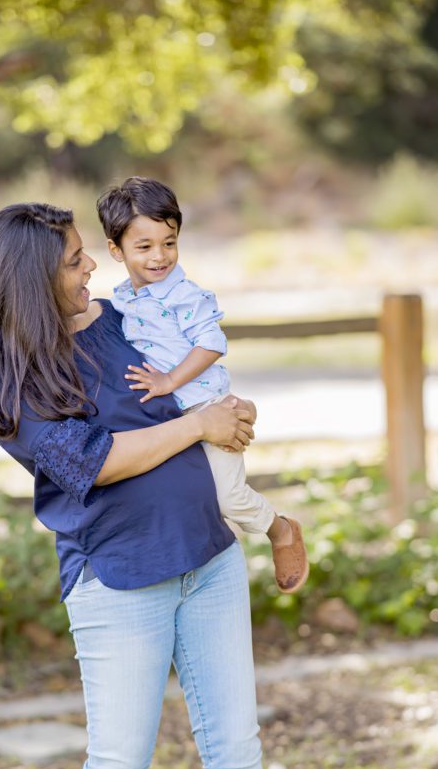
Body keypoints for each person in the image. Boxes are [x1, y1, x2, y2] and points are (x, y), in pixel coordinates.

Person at [0, 202, 305, 769]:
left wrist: (231, 413)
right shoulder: (11, 374)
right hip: (118, 580)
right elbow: (95, 461)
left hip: (209, 557)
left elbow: (202, 381)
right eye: (77, 260)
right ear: (30, 280)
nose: (93, 268)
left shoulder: (122, 319)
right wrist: (200, 426)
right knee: (118, 766)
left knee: (237, 754)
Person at [97, 176, 309, 593]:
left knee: (228, 498)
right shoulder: (121, 299)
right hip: (168, 415)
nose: (160, 256)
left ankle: (280, 529)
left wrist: (169, 380)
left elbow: (211, 343)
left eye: (169, 242)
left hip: (205, 406)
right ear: (115, 250)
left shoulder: (184, 295)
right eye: (144, 247)